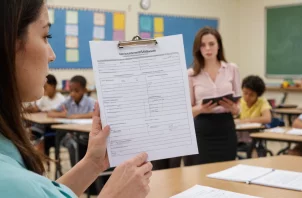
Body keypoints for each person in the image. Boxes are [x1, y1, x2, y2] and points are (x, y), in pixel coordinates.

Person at [0, 0, 152, 197]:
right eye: (46, 36)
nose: (52, 55)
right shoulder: (11, 181)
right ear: (9, 41)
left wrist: (93, 163)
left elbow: (43, 193)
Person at [184, 26, 241, 166]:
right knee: (202, 172)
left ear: (219, 46)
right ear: (198, 48)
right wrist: (201, 109)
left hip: (226, 126)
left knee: (227, 170)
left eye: (211, 44)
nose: (207, 49)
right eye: (203, 45)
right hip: (202, 128)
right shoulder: (191, 74)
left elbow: (239, 106)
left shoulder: (232, 69)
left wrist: (234, 108)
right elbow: (186, 112)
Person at [237, 75, 272, 143]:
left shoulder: (262, 102)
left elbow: (267, 118)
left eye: (251, 95)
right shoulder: (239, 101)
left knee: (253, 148)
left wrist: (246, 120)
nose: (247, 97)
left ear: (258, 95)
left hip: (255, 135)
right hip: (240, 135)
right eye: (245, 93)